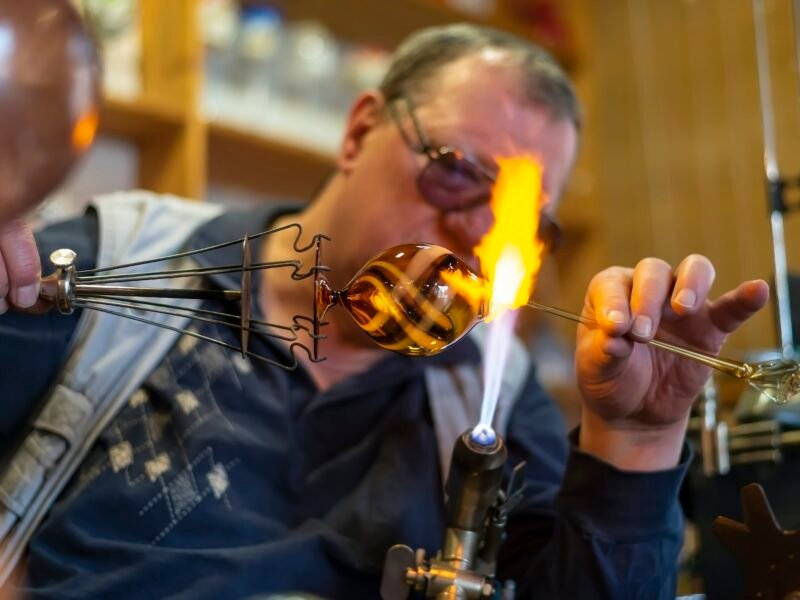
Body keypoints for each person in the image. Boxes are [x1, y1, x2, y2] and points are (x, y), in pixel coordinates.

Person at [0, 24, 768, 599]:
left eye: (518, 218)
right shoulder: (116, 257)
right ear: (361, 128)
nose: (474, 231)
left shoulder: (490, 398)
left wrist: (638, 437)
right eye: (456, 171)